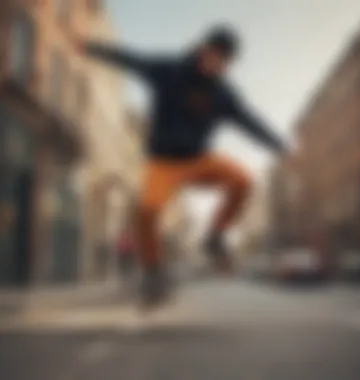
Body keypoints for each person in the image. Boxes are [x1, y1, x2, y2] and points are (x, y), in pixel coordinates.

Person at [75, 25, 288, 306]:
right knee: (148, 208)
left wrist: (280, 147)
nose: (219, 66)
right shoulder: (169, 70)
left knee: (243, 181)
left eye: (225, 62)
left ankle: (215, 236)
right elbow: (132, 60)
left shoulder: (223, 94)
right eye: (216, 57)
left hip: (199, 160)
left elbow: (249, 121)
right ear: (203, 49)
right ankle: (153, 271)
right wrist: (92, 48)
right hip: (163, 162)